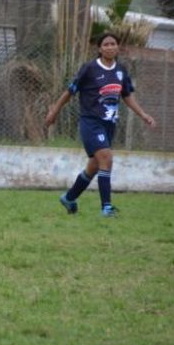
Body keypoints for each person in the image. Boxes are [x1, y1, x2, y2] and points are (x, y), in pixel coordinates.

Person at [45, 31, 156, 217]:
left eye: (113, 43)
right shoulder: (89, 68)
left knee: (95, 166)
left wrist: (143, 115)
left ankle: (69, 198)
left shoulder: (121, 71)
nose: (110, 47)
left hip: (109, 125)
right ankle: (106, 208)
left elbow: (127, 96)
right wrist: (55, 111)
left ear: (118, 47)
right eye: (106, 44)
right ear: (100, 48)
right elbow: (70, 92)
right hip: (90, 122)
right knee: (107, 158)